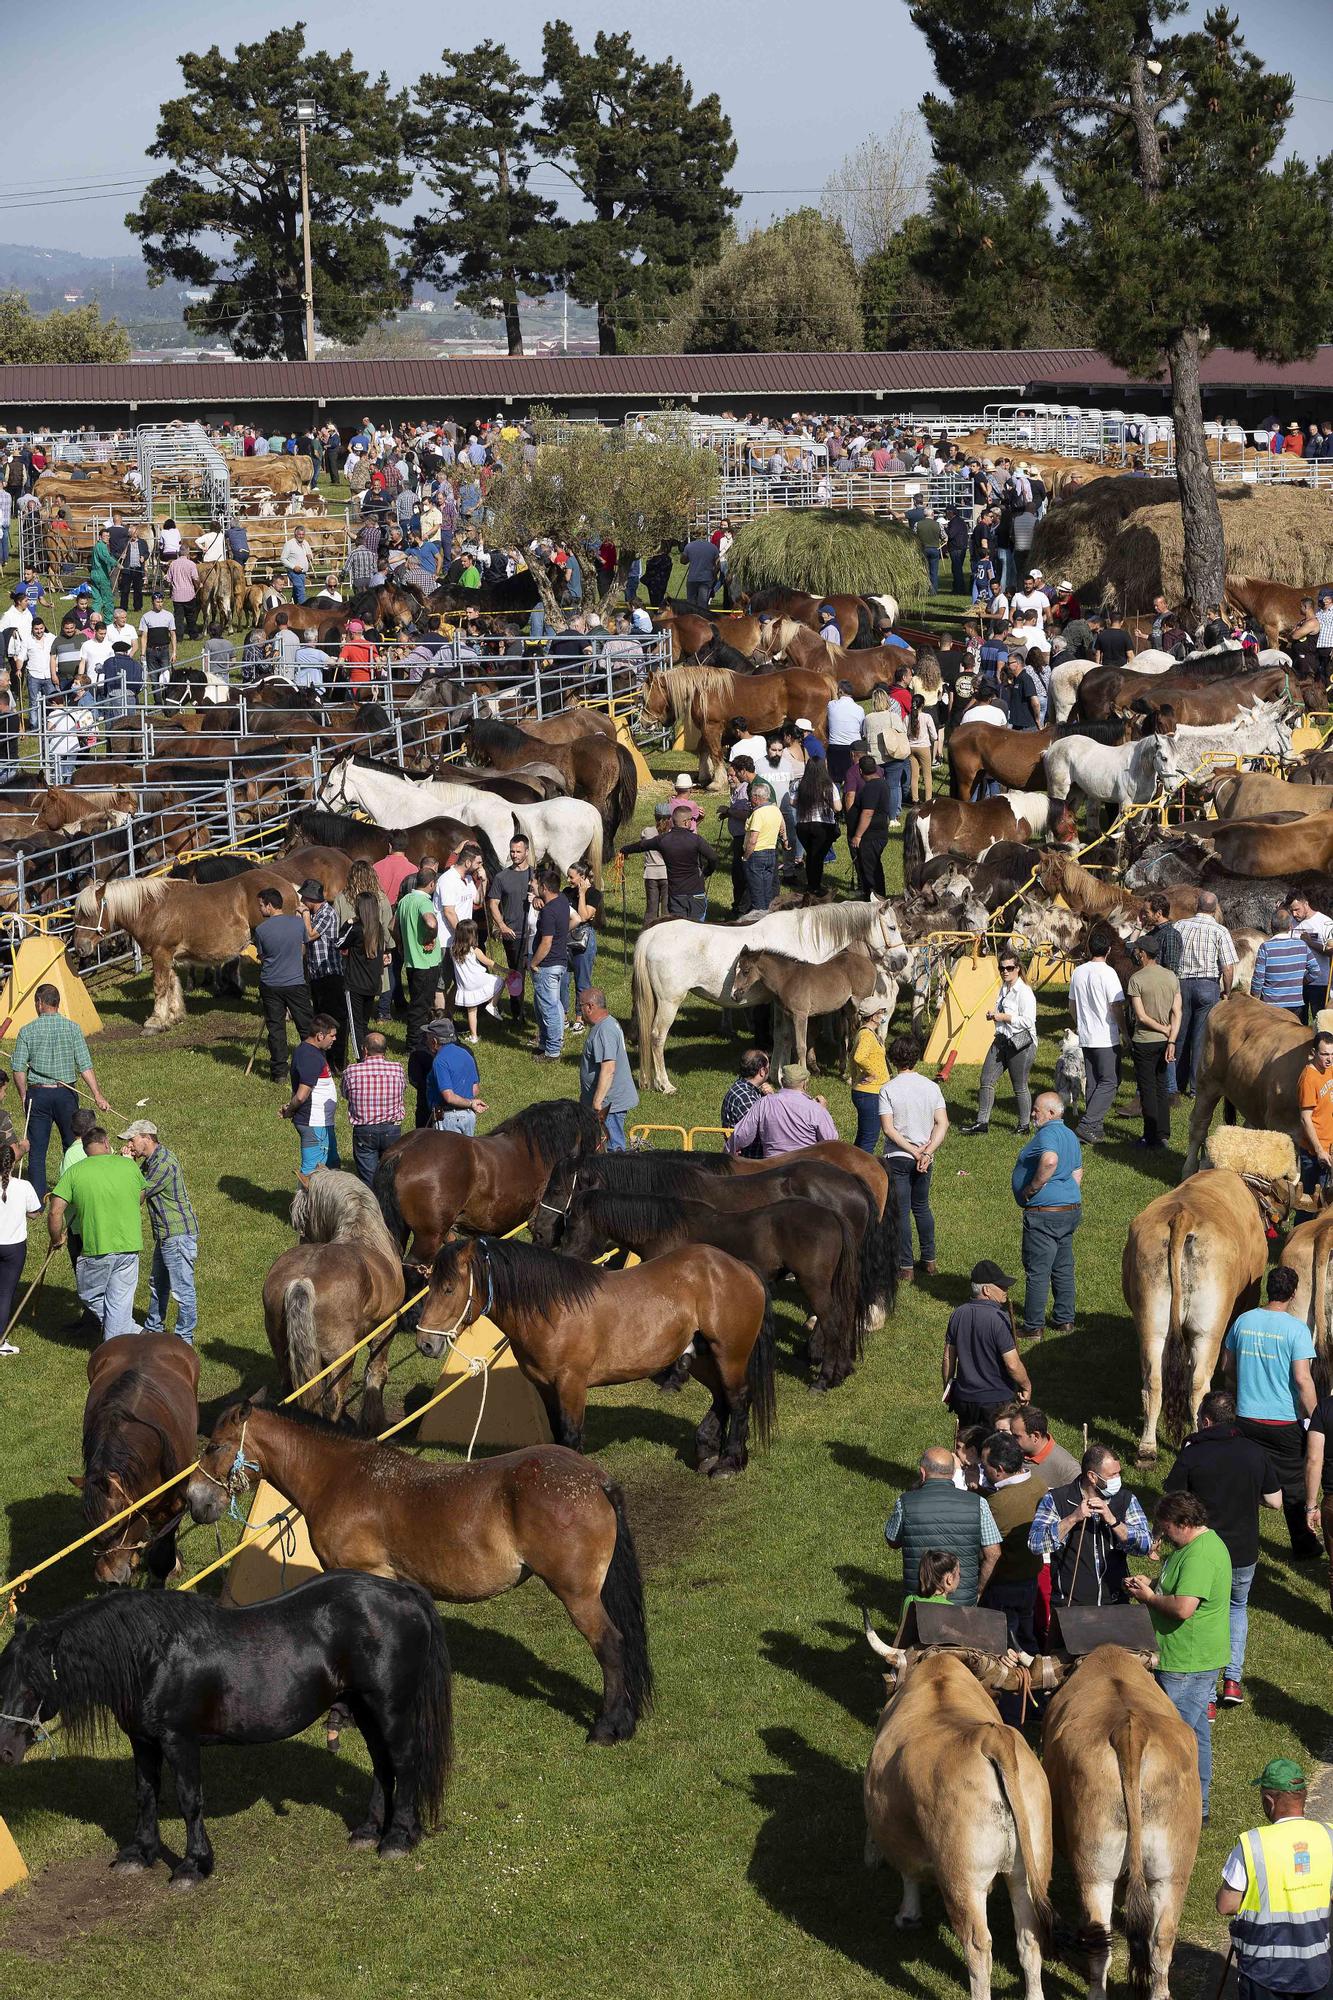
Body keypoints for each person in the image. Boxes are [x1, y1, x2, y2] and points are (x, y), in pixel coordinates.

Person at [1166, 1388, 1282, 1708]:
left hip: (1202, 1552)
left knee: (1201, 1615)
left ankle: (1205, 1698)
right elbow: (1275, 1501)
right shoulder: (1254, 1452)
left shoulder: (1193, 1453)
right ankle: (1232, 1680)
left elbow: (1172, 1499)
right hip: (1243, 1551)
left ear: (1205, 1420)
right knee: (1236, 1608)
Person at [1125, 1491, 1231, 1824]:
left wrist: (1150, 1599)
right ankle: (1198, 1808)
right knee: (1195, 1732)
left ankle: (1174, 1809)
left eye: (1166, 1527)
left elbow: (1184, 1608)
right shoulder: (1190, 1549)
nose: (1162, 1533)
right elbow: (1177, 1588)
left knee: (1173, 1738)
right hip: (1186, 1658)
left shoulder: (1201, 1555)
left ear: (1185, 1524)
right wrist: (1151, 1586)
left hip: (1188, 1663)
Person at [1224, 1264, 1322, 1559]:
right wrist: (1317, 1417)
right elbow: (1303, 1379)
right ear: (1293, 1294)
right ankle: (1304, 1545)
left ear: (1268, 1290)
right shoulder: (1296, 1329)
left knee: (1247, 1481)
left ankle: (1238, 1539)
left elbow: (1226, 1367)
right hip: (1283, 1423)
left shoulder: (1243, 1321)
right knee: (1294, 1488)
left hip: (1245, 1418)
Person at [1216, 1757, 1333, 1998]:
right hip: (1318, 1971)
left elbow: (1226, 1904)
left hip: (1265, 1975)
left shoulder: (1252, 1843)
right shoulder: (1328, 1836)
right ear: (1303, 1796)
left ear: (1269, 1802)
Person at [12, 984, 112, 1201]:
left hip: (38, 1095)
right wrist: (97, 1095)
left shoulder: (27, 1030)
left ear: (40, 1003)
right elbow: (85, 1064)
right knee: (74, 1145)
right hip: (66, 1095)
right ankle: (75, 1193)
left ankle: (37, 1202)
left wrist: (23, 1096)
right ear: (57, 1003)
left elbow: (18, 1068)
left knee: (37, 1151)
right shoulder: (73, 1028)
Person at [47, 1127, 145, 1340]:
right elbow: (140, 1197)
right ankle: (126, 1339)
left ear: (84, 1149)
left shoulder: (75, 1171)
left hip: (97, 1246)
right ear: (107, 1143)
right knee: (120, 1300)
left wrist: (57, 1238)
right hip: (129, 1245)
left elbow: (55, 1210)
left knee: (89, 1294)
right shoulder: (128, 1166)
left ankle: (134, 1334)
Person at [1029, 1443, 1153, 1607]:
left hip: (1115, 1602)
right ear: (1093, 1477)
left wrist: (1113, 1521)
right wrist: (1072, 1519)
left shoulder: (1126, 1499)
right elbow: (1035, 1543)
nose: (1118, 1479)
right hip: (1070, 1604)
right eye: (1112, 1475)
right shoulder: (1056, 1499)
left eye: (1119, 1473)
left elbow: (1145, 1545)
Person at [885, 1446, 1002, 1607]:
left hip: (920, 1597)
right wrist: (979, 1590)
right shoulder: (978, 1504)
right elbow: (994, 1554)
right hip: (963, 1600)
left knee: (919, 1631)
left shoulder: (905, 1502)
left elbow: (892, 1540)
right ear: (953, 1474)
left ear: (923, 1473)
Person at [120, 1119, 198, 1346]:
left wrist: (128, 1165)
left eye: (132, 1140)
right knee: (158, 1283)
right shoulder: (151, 1161)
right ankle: (154, 1327)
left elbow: (137, 1195)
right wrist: (130, 1162)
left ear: (147, 1137)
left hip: (177, 1235)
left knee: (183, 1289)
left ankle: (184, 1337)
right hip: (166, 1235)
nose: (131, 1145)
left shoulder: (164, 1164)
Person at [878, 1033, 948, 1281]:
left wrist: (911, 1149)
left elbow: (888, 1129)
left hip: (898, 1156)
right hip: (925, 1157)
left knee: (902, 1210)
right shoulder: (932, 1087)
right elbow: (942, 1123)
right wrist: (926, 1151)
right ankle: (929, 1260)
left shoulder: (887, 1089)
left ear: (894, 1059)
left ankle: (905, 1266)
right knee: (922, 1207)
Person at [1012, 1091, 1083, 1337]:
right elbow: (1077, 1173)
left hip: (1045, 1214)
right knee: (1063, 1266)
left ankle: (1033, 1326)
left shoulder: (1049, 1133)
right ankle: (1065, 1320)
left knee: (1038, 1269)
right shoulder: (1070, 1135)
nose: (1033, 1114)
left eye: (1036, 1110)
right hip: (1069, 1210)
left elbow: (1050, 1161)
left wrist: (1032, 1188)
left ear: (1051, 1113)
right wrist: (1066, 1196)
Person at [978, 1430, 1044, 1659]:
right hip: (1030, 1581)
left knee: (1003, 1647)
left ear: (999, 1470)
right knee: (1026, 1637)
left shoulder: (995, 1504)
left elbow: (984, 1549)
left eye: (984, 1466)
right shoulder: (1038, 1484)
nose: (983, 1470)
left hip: (1003, 1586)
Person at [943, 1261, 1032, 1428]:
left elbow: (949, 1356)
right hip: (996, 1403)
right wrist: (1026, 1385)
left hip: (965, 1400)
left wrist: (948, 1389)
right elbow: (1012, 1364)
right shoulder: (998, 1318)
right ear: (986, 1290)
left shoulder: (958, 1314)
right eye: (1001, 1286)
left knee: (967, 1450)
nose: (1006, 1290)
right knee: (997, 1451)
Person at [965, 951, 1037, 1136]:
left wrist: (1003, 1017)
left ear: (1017, 969)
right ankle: (982, 1122)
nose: (1005, 971)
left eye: (1009, 968)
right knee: (986, 1080)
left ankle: (1024, 1126)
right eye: (1002, 968)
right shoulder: (1003, 988)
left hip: (1021, 1043)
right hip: (1001, 1040)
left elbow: (1028, 1021)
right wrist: (994, 1017)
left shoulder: (1024, 992)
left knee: (1019, 1085)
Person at [1175, 891, 1237, 1095]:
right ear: (1215, 908)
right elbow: (1228, 968)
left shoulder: (1179, 925)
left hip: (1181, 983)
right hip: (1207, 986)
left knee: (1180, 1034)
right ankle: (1195, 1087)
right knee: (1201, 1039)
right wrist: (1227, 991)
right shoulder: (1220, 931)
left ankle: (1175, 1083)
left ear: (1197, 905)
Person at [252, 886, 314, 1085]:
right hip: (295, 982)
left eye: (261, 905)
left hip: (271, 984)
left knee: (276, 1029)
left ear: (270, 906)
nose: (260, 909)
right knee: (305, 1026)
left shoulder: (261, 930)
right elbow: (304, 943)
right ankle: (311, 1064)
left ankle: (279, 1071)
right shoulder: (297, 924)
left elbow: (261, 956)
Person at [333, 858, 394, 1061]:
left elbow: (337, 936)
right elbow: (388, 931)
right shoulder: (382, 900)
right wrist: (386, 951)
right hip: (374, 966)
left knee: (353, 1019)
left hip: (352, 966)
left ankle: (360, 1057)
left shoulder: (342, 899)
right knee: (363, 1018)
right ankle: (368, 1054)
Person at [1126, 933, 1181, 1148]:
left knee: (1147, 1089)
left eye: (1137, 951)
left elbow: (1140, 1016)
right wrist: (1171, 1039)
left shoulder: (1136, 979)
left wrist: (1162, 1029)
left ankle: (1150, 1136)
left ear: (1142, 954)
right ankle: (1163, 1133)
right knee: (1162, 1086)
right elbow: (1177, 1011)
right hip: (1165, 1043)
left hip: (1144, 1040)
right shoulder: (1171, 977)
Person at [1068, 930, 1124, 1143]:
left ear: (1089, 949)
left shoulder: (1078, 972)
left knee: (1093, 1081)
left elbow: (1071, 1005)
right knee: (1110, 1081)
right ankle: (1088, 1123)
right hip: (1105, 1036)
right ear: (1108, 950)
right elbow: (1116, 1005)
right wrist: (1124, 1031)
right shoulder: (1109, 973)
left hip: (1086, 1034)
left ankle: (1095, 1127)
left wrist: (1079, 1023)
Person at [620, 806, 716, 922]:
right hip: (696, 893)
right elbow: (713, 857)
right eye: (691, 819)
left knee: (678, 928)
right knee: (697, 928)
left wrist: (624, 850)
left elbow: (641, 846)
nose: (691, 822)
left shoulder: (663, 840)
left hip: (676, 894)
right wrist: (706, 872)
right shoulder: (696, 840)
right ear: (685, 822)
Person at [726, 1063, 838, 1157]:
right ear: (805, 1084)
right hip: (806, 1173)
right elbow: (832, 1144)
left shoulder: (764, 1103)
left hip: (773, 1172)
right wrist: (824, 1111)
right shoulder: (816, 1110)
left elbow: (741, 1135)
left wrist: (726, 1154)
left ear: (782, 1081)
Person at [341, 1031, 405, 1188]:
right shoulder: (397, 1069)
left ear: (364, 1050)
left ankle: (372, 1208)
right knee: (391, 1178)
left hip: (364, 1130)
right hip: (392, 1129)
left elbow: (345, 1093)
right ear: (385, 1050)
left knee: (368, 1179)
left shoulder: (351, 1071)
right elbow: (403, 1089)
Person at [577, 989, 638, 1152]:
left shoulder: (605, 1030)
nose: (579, 1010)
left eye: (580, 1006)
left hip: (609, 1105)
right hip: (606, 1103)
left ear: (590, 1007)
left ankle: (617, 1178)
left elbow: (609, 1068)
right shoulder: (607, 1024)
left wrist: (597, 1102)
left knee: (613, 1150)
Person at [280, 1016, 341, 1176]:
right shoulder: (310, 1057)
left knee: (332, 1166)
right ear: (320, 1035)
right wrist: (291, 1110)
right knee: (312, 1175)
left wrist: (290, 1108)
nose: (334, 1039)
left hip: (322, 1124)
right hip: (315, 1124)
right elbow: (301, 1095)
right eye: (332, 1035)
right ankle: (306, 1202)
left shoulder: (312, 1052)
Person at [397, 858, 444, 1057]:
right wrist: (431, 937)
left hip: (412, 960)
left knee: (418, 1001)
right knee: (421, 1006)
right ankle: (414, 1045)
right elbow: (431, 923)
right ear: (431, 884)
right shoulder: (423, 901)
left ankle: (417, 1042)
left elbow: (392, 926)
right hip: (427, 962)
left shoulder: (405, 900)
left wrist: (401, 944)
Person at [298, 879, 347, 1068]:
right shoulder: (316, 913)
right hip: (318, 975)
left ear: (311, 898)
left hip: (330, 974)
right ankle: (325, 1057)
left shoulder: (326, 913)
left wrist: (303, 914)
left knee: (333, 1018)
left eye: (304, 898)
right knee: (320, 1018)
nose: (302, 901)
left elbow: (309, 934)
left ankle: (337, 1060)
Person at [486, 835, 533, 1023]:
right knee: (517, 973)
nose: (514, 855)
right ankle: (517, 1012)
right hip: (513, 933)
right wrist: (502, 926)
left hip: (534, 932)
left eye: (518, 851)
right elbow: (493, 903)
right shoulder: (501, 877)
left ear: (527, 852)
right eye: (512, 851)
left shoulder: (535, 875)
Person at [0, 1142, 41, 1357]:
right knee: (5, 1293)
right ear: (13, 1163)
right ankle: (0, 1339)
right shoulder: (23, 1186)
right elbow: (35, 1213)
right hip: (14, 1248)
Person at [1251, 906, 1323, 1019]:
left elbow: (1258, 979)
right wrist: (1302, 982)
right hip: (1296, 1005)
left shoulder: (1266, 947)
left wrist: (1254, 999)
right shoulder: (1301, 945)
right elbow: (1316, 971)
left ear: (1271, 926)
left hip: (1271, 1005)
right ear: (1290, 926)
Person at [530, 865, 569, 1062]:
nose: (532, 885)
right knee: (549, 1005)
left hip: (547, 965)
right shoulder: (562, 901)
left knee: (549, 1007)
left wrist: (534, 963)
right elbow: (575, 918)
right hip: (560, 961)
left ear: (544, 887)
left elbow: (546, 943)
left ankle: (552, 1051)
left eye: (535, 883)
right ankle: (546, 1044)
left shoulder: (548, 912)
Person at [424, 1015, 486, 1133]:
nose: (426, 1041)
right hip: (469, 1117)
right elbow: (475, 1089)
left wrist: (470, 1103)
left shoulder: (440, 1061)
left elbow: (449, 1096)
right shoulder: (466, 1054)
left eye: (427, 1037)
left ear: (434, 1041)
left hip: (449, 1118)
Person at [449, 921, 504, 1043]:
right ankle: (492, 1005)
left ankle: (474, 1036)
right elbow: (489, 962)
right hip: (478, 979)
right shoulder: (474, 950)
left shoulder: (453, 950)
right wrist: (505, 970)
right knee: (499, 981)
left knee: (472, 1011)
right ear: (470, 935)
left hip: (465, 985)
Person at [793, 755, 840, 893]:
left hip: (803, 824)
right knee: (818, 856)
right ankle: (815, 886)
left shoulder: (799, 784)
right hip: (823, 825)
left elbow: (792, 802)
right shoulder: (828, 785)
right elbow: (838, 807)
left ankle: (811, 884)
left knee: (811, 854)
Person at [1005, 1405, 1081, 1489]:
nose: (1011, 1440)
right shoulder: (1014, 1452)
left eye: (1016, 1436)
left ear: (1035, 1437)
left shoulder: (1067, 1468)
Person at [850, 755, 894, 895]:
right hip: (878, 833)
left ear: (860, 771)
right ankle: (877, 896)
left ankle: (874, 899)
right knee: (874, 867)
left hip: (870, 836)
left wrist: (858, 835)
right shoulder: (882, 783)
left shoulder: (871, 787)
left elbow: (867, 813)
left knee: (870, 871)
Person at [741, 779, 786, 914]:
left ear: (756, 797)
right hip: (771, 853)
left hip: (756, 855)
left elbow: (753, 840)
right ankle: (768, 915)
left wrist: (745, 856)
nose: (750, 800)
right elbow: (782, 827)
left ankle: (758, 918)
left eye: (751, 797)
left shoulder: (758, 813)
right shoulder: (775, 810)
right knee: (767, 891)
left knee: (757, 892)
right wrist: (785, 839)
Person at [850, 998, 889, 1152]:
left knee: (863, 1137)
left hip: (867, 1093)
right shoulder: (867, 1035)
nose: (883, 1015)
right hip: (869, 1093)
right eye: (881, 1012)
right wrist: (872, 1073)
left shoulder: (868, 1033)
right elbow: (859, 1057)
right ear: (873, 1016)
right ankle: (862, 1174)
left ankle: (851, 1168)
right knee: (869, 1139)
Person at [1298, 1031, 1333, 1197]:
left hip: (1329, 1149)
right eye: (1325, 1054)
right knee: (1309, 1204)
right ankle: (1301, 1224)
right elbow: (1305, 1119)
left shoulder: (1328, 1069)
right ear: (1313, 1053)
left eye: (1332, 1054)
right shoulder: (1308, 1079)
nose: (1329, 1059)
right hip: (1315, 1155)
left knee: (1326, 1202)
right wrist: (1319, 1151)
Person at [1289, 891, 1333, 1021]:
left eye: (1297, 910)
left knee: (1318, 1021)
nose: (1294, 914)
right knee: (1297, 1023)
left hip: (1320, 982)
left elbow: (1331, 950)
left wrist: (1310, 942)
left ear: (1306, 904)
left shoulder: (1325, 922)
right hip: (1297, 982)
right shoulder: (1291, 923)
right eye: (1291, 911)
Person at [722, 1051, 771, 1154]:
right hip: (750, 1160)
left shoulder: (744, 1088)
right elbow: (764, 1129)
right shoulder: (745, 1097)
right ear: (762, 1071)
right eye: (768, 1068)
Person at [825, 681, 867, 785]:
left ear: (840, 691)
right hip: (852, 748)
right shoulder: (859, 709)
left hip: (835, 747)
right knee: (852, 780)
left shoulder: (831, 705)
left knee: (835, 781)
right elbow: (862, 729)